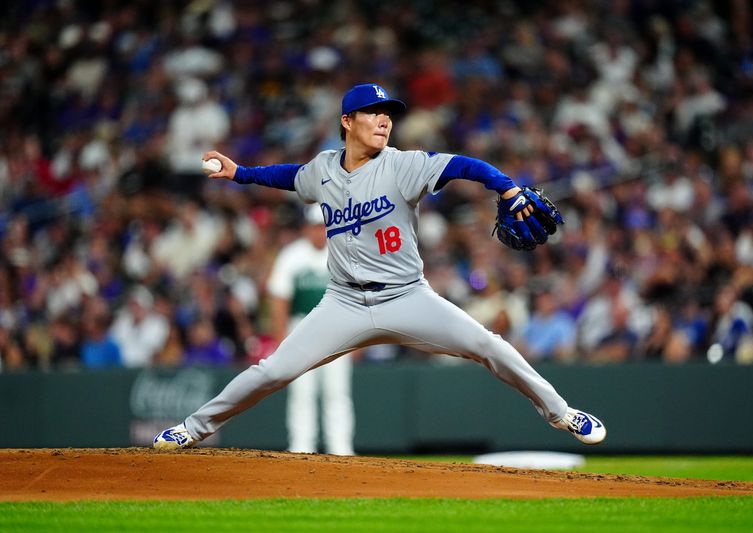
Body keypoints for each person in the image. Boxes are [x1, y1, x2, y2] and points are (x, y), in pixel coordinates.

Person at [153, 83, 606, 451]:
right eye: (372, 111)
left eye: (388, 112)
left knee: (488, 345)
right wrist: (241, 173)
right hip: (344, 302)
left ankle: (562, 413)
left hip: (407, 297)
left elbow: (465, 165)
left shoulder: (403, 165)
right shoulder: (322, 169)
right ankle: (191, 429)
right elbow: (288, 176)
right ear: (347, 122)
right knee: (271, 372)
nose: (384, 119)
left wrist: (506, 188)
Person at [269, 205, 355, 455]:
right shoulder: (292, 255)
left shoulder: (343, 253)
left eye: (324, 226)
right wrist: (280, 339)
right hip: (301, 327)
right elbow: (279, 298)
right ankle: (300, 446)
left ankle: (341, 448)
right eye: (316, 226)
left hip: (336, 328)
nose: (320, 231)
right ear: (306, 228)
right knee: (302, 391)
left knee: (337, 391)